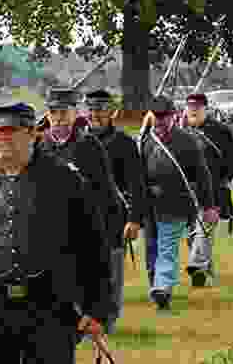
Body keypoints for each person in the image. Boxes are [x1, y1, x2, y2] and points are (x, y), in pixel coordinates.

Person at [0, 102, 112, 363]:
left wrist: (97, 307)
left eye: (11, 131)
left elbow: (93, 246)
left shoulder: (65, 181)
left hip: (50, 307)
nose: (3, 138)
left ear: (32, 133)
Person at [38, 87, 121, 329]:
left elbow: (106, 189)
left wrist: (109, 226)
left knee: (91, 275)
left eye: (64, 112)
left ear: (75, 113)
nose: (59, 118)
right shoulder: (40, 145)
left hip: (86, 222)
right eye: (54, 112)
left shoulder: (89, 145)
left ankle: (99, 316)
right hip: (50, 227)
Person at [130, 96, 217, 312]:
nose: (159, 122)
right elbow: (137, 179)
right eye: (156, 117)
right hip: (149, 206)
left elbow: (202, 175)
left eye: (163, 117)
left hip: (176, 204)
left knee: (167, 247)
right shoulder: (144, 141)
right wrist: (135, 213)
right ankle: (156, 284)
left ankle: (163, 287)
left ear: (173, 117)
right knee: (152, 249)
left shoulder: (187, 141)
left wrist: (208, 207)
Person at [84, 89, 147, 333]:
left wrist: (135, 220)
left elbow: (137, 184)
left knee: (111, 273)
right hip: (82, 217)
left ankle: (108, 320)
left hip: (113, 218)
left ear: (111, 112)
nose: (94, 115)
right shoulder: (79, 141)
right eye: (91, 110)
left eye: (99, 110)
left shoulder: (124, 143)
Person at [183, 93, 233, 286]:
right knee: (192, 234)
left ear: (206, 108)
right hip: (186, 192)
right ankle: (205, 270)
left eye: (197, 107)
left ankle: (197, 267)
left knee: (204, 229)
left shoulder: (221, 131)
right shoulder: (180, 130)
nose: (193, 110)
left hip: (214, 191)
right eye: (190, 107)